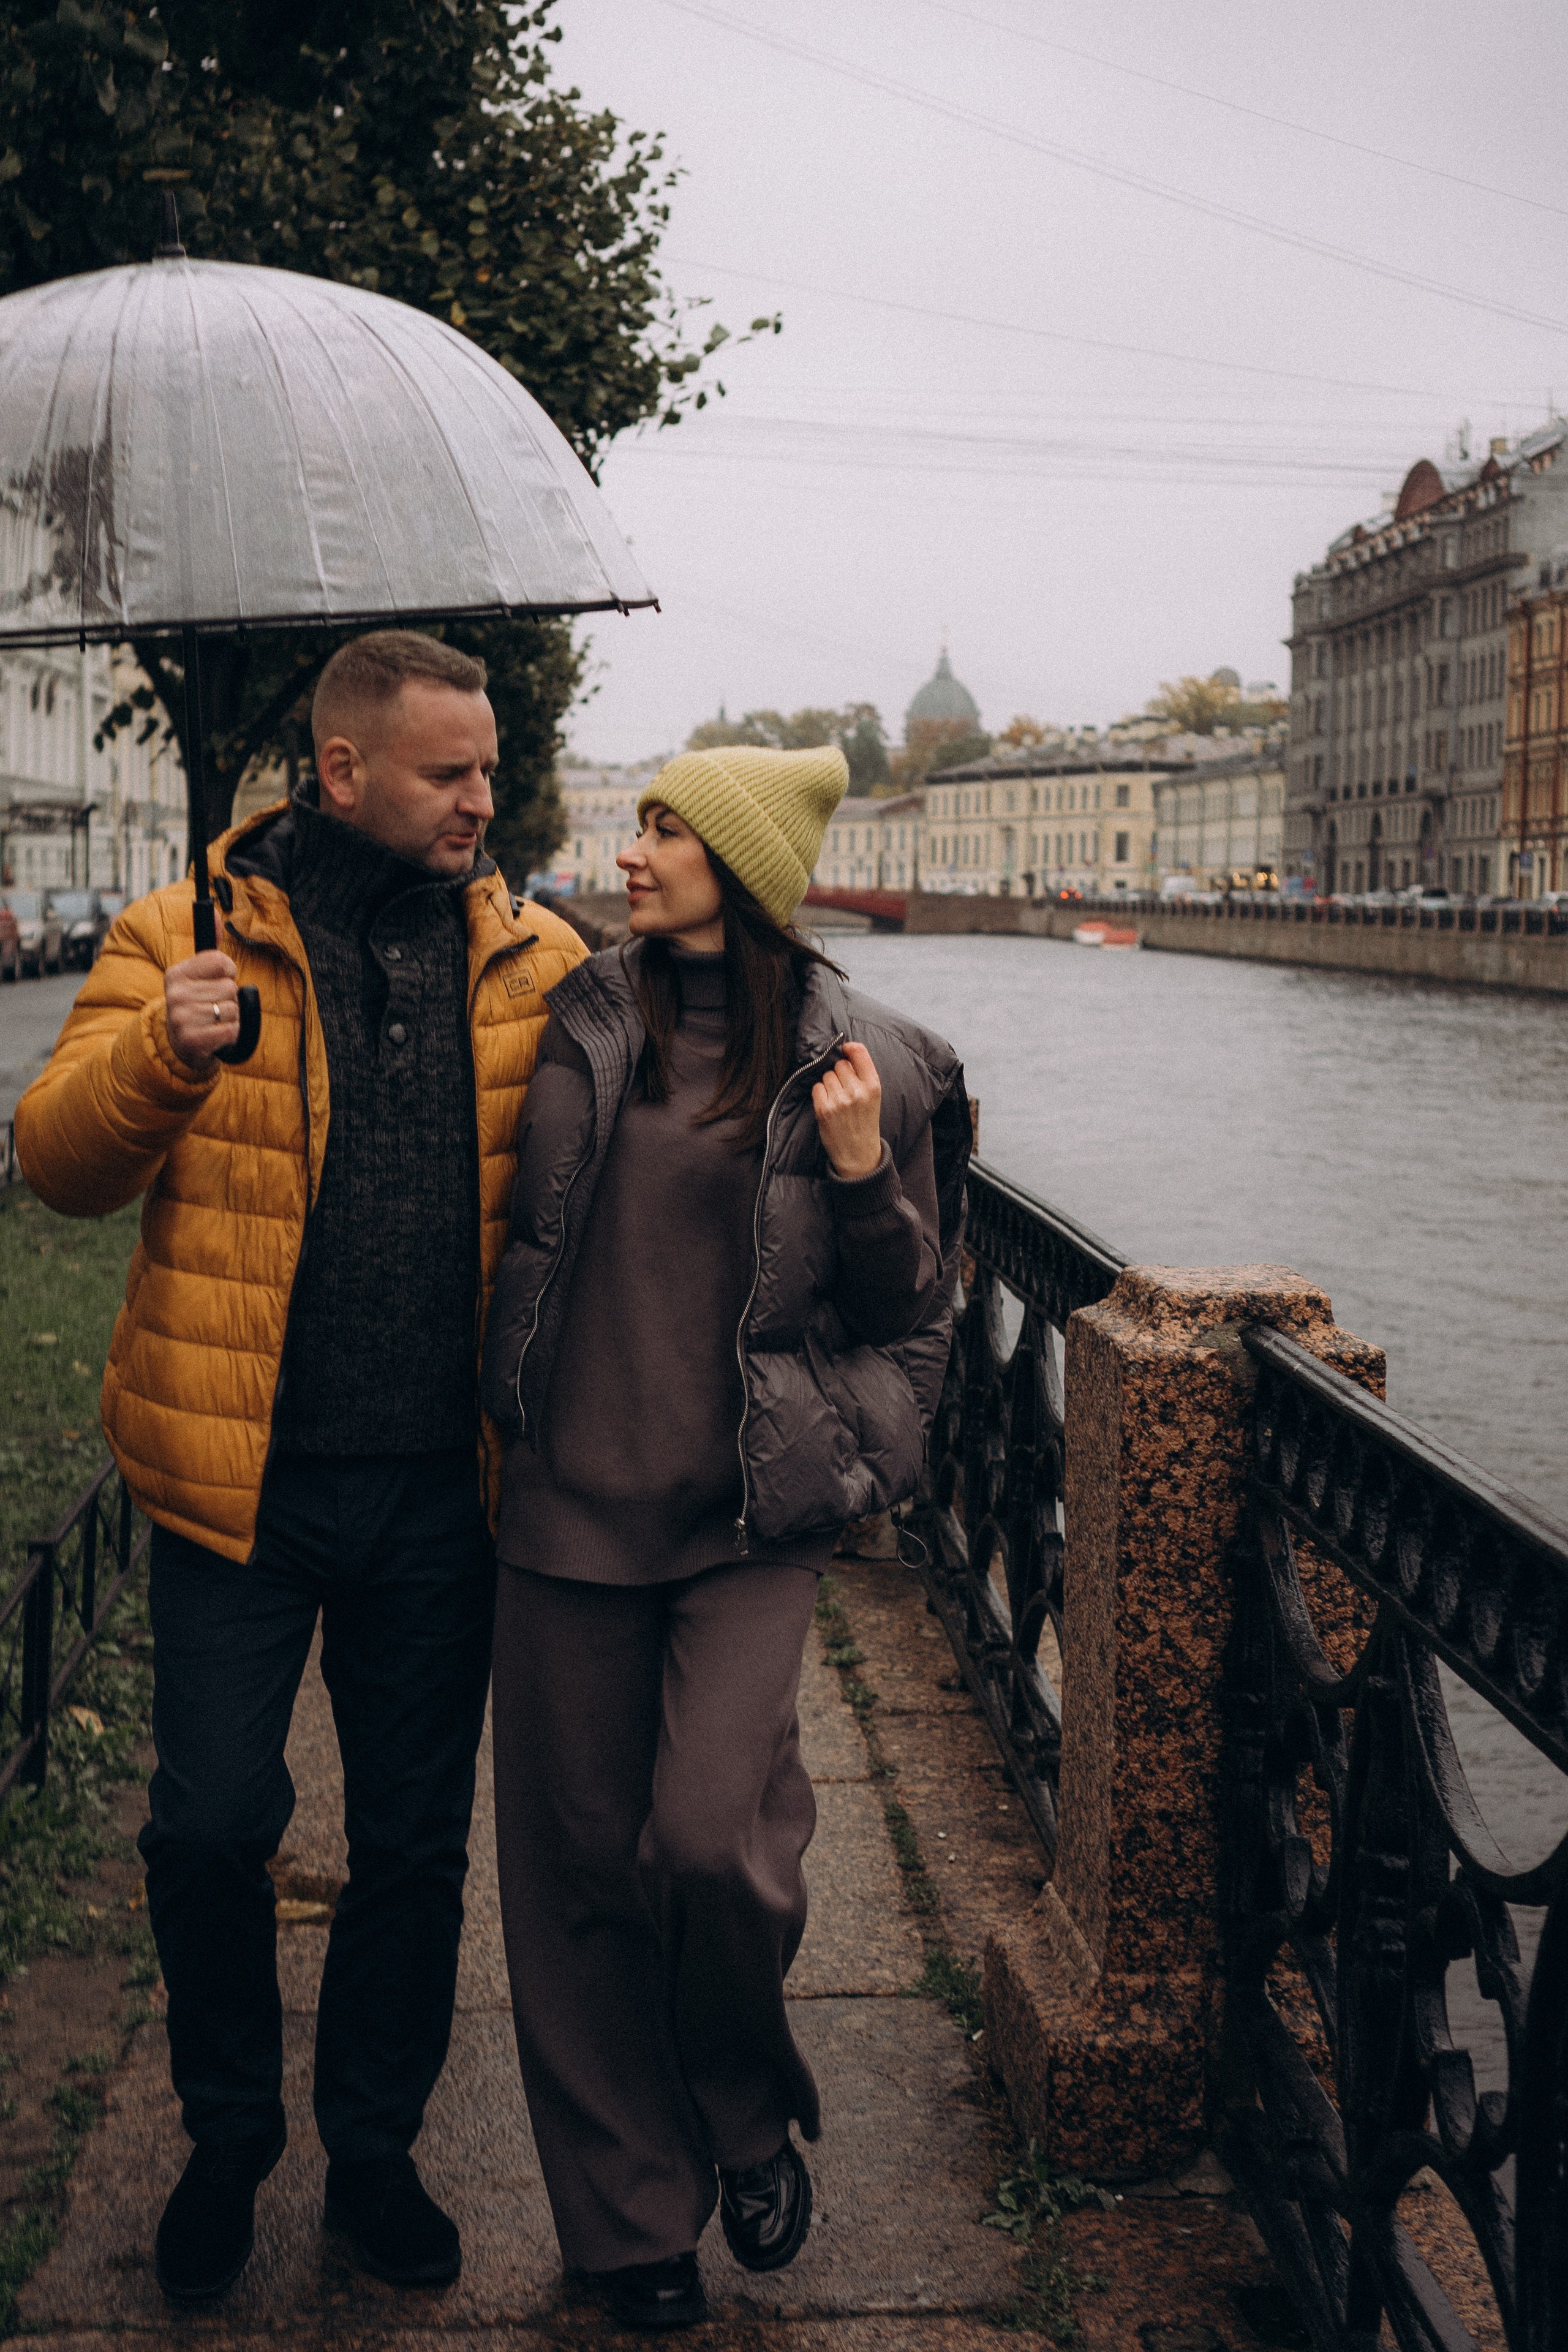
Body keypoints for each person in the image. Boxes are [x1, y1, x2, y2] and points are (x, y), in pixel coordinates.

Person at [13, 631, 586, 2308]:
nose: (485, 798)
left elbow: (698, 1073)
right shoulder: (181, 936)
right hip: (233, 1488)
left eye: (488, 770)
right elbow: (55, 1166)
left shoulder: (535, 960)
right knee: (208, 1827)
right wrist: (160, 1055)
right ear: (344, 772)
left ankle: (376, 2156)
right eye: (450, 774)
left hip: (441, 1492)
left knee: (414, 1846)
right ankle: (224, 2143)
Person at [480, 744, 970, 2331]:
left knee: (709, 1845)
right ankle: (630, 2225)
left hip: (746, 1520)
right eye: (636, 824)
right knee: (572, 1890)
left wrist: (861, 1179)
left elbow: (911, 1312)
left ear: (747, 866)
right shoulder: (576, 1013)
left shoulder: (871, 1061)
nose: (631, 852)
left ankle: (745, 2112)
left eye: (668, 830)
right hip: (564, 1508)